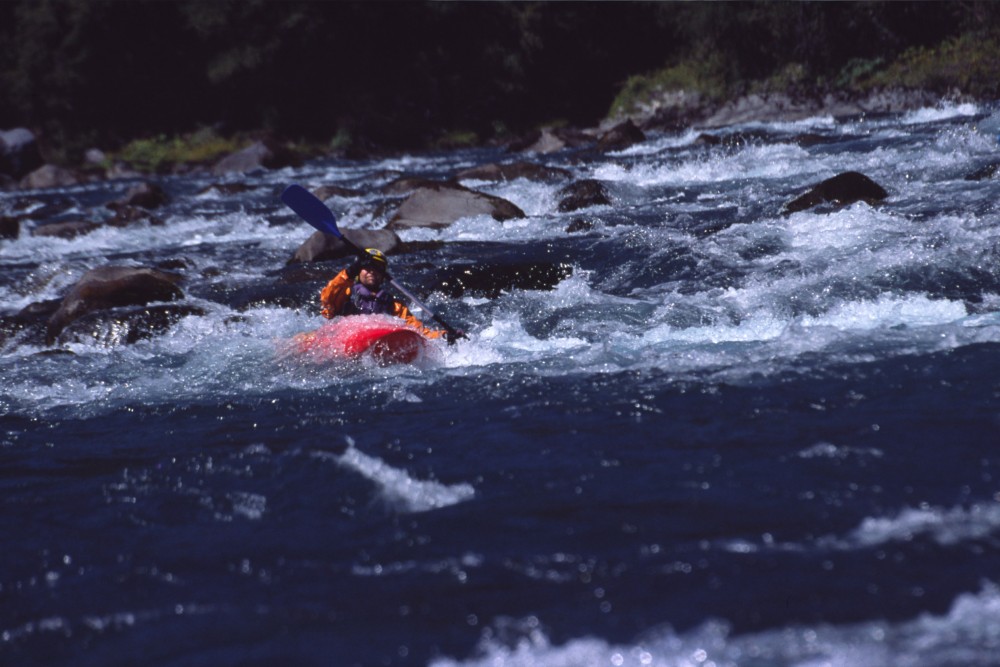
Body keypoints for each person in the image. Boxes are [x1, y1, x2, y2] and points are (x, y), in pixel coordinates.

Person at [319, 249, 449, 340]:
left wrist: (443, 335)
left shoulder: (394, 305)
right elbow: (327, 298)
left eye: (377, 267)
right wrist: (349, 272)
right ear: (358, 271)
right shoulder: (345, 295)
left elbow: (418, 331)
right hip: (344, 341)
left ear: (383, 275)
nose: (372, 271)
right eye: (367, 267)